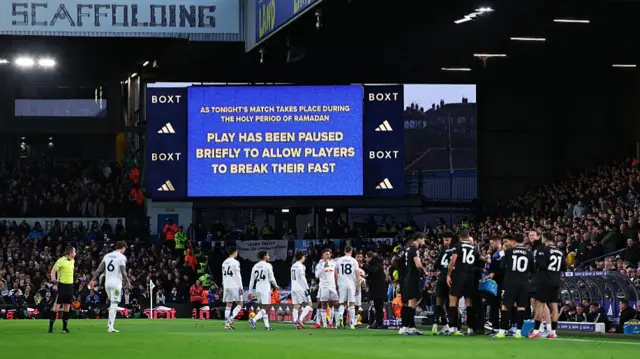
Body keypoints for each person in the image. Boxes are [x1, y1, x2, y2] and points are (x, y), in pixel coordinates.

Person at [495, 233, 535, 339]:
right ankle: (518, 332)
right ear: (524, 241)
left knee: (505, 306)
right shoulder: (529, 253)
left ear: (514, 241)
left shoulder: (508, 252)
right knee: (521, 307)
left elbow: (502, 266)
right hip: (523, 283)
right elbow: (533, 269)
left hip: (510, 282)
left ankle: (502, 331)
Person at [446, 230, 485, 336]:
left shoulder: (457, 246)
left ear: (460, 237)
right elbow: (481, 259)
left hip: (459, 274)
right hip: (470, 276)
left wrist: (448, 275)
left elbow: (453, 261)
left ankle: (453, 328)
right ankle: (470, 328)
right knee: (469, 301)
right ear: (468, 236)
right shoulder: (474, 247)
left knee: (453, 300)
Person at [529, 232, 565, 339]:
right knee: (554, 306)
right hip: (556, 281)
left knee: (540, 304)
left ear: (544, 239)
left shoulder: (543, 250)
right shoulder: (560, 252)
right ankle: (553, 332)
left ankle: (536, 331)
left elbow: (540, 265)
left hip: (544, 281)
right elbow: (563, 267)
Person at [89, 241, 131, 333]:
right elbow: (123, 272)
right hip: (116, 284)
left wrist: (92, 279)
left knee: (112, 303)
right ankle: (111, 326)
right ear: (122, 247)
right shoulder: (122, 257)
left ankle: (109, 323)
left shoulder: (107, 256)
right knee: (114, 304)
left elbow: (99, 269)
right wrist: (127, 282)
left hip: (107, 283)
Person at [400, 232, 427, 335]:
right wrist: (424, 272)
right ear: (419, 239)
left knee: (410, 304)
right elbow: (418, 265)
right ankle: (408, 327)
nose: (423, 242)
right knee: (412, 304)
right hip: (413, 278)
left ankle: (407, 326)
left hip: (408, 277)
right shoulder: (415, 250)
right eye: (423, 239)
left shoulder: (407, 249)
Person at [248, 250, 280, 330]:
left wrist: (250, 292)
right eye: (268, 255)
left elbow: (252, 280)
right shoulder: (268, 265)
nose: (269, 257)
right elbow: (272, 278)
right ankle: (254, 320)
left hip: (258, 288)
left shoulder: (255, 266)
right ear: (265, 256)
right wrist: (276, 285)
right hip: (265, 288)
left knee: (263, 307)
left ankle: (267, 326)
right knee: (266, 307)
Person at [49, 246, 76, 333]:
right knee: (56, 307)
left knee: (67, 307)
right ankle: (50, 327)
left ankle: (64, 328)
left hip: (70, 286)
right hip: (62, 285)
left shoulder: (72, 261)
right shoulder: (61, 260)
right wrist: (54, 283)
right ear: (70, 253)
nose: (75, 253)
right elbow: (53, 271)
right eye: (74, 252)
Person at [433, 231, 455, 335]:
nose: (445, 241)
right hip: (450, 277)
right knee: (450, 302)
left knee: (439, 302)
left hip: (442, 277)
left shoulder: (443, 251)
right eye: (444, 239)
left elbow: (436, 265)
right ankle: (452, 326)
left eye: (447, 239)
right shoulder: (455, 249)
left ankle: (436, 324)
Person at [335, 245, 360, 329]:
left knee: (342, 303)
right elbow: (357, 274)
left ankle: (341, 317)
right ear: (351, 251)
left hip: (342, 284)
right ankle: (352, 323)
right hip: (351, 284)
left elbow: (336, 273)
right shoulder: (354, 261)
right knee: (352, 304)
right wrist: (357, 286)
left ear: (344, 251)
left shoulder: (339, 260)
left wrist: (336, 284)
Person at [313, 249, 338, 329]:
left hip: (332, 286)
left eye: (329, 254)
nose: (328, 255)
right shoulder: (319, 265)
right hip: (323, 287)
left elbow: (335, 275)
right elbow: (317, 275)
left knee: (333, 305)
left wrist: (337, 285)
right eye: (326, 254)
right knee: (323, 305)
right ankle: (324, 323)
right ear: (322, 255)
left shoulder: (333, 264)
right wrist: (324, 266)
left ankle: (331, 323)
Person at [221, 246, 243, 329]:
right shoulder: (235, 262)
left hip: (226, 285)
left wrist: (224, 285)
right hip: (234, 285)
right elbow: (238, 276)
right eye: (237, 252)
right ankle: (231, 319)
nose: (237, 253)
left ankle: (226, 325)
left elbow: (223, 275)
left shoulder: (224, 262)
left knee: (228, 305)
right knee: (240, 304)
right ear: (234, 252)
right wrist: (241, 287)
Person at [363, 251, 386, 329]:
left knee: (378, 307)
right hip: (376, 289)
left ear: (370, 257)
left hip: (379, 289)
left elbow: (372, 270)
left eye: (366, 257)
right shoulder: (375, 264)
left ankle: (379, 323)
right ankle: (377, 322)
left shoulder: (377, 265)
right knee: (377, 307)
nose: (365, 259)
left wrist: (364, 266)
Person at [290, 251, 313, 329]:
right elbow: (302, 278)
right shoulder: (301, 266)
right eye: (304, 256)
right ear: (302, 257)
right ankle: (300, 320)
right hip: (300, 288)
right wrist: (307, 288)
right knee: (310, 304)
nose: (305, 258)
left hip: (293, 288)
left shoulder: (293, 266)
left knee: (296, 306)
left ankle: (295, 323)